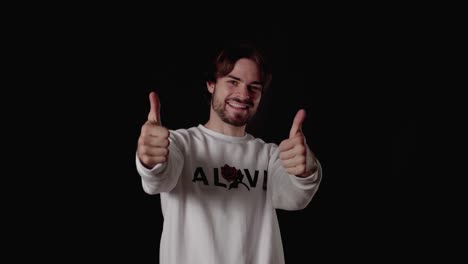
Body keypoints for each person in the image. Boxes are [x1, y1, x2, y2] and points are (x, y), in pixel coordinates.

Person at [135, 42, 322, 264]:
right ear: (211, 84)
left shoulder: (270, 155)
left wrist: (307, 169)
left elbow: (295, 198)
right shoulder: (179, 144)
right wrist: (150, 161)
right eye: (233, 82)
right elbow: (158, 179)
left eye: (254, 87)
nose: (244, 94)